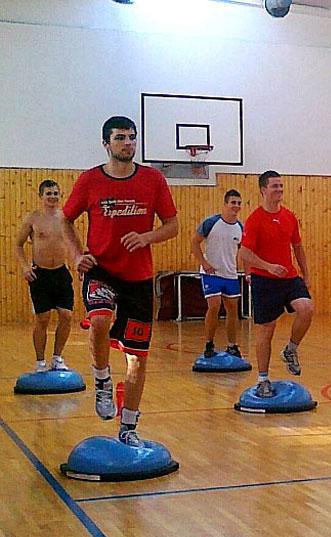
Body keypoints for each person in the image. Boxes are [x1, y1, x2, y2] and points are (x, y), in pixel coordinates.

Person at [62, 116, 179, 446]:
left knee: (137, 358)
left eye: (131, 137)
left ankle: (128, 427)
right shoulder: (90, 180)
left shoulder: (153, 179)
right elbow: (66, 220)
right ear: (106, 144)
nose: (128, 143)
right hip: (101, 269)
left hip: (138, 278)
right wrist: (76, 255)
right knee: (99, 320)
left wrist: (147, 237)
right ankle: (101, 380)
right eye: (120, 138)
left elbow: (172, 225)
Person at [238, 170, 313, 398]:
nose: (279, 190)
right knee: (266, 329)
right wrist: (267, 266)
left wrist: (306, 274)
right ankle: (262, 379)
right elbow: (244, 253)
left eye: (281, 186)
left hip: (288, 278)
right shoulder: (255, 219)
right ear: (263, 190)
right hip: (264, 280)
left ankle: (291, 349)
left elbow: (297, 247)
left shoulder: (289, 216)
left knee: (306, 308)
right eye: (274, 186)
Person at [13, 180, 74, 372]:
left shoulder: (65, 218)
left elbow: (74, 243)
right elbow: (18, 245)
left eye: (55, 193)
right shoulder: (33, 218)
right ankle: (40, 361)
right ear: (41, 196)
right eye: (49, 193)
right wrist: (25, 267)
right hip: (40, 274)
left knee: (66, 315)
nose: (53, 197)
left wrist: (80, 264)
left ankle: (57, 357)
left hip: (61, 272)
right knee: (43, 318)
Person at [192, 189, 245, 359]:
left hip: (230, 274)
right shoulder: (211, 223)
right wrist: (204, 263)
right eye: (233, 202)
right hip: (211, 273)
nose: (236, 206)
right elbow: (194, 243)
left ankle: (232, 345)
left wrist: (248, 272)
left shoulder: (240, 228)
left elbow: (244, 252)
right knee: (214, 306)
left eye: (239, 203)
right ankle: (209, 344)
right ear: (225, 204)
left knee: (233, 310)